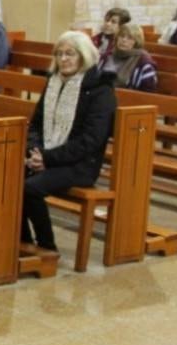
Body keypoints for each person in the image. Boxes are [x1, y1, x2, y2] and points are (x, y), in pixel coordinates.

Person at [21, 31, 116, 252]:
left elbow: (91, 140)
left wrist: (47, 158)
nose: (63, 59)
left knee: (29, 188)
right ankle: (23, 241)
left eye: (70, 54)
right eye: (59, 54)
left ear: (84, 56)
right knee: (7, 179)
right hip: (47, 157)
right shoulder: (54, 82)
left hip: (80, 165)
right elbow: (36, 123)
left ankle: (47, 247)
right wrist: (35, 151)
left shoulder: (101, 90)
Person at [102, 23, 157, 92]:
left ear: (136, 41)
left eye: (130, 38)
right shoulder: (108, 55)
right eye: (122, 36)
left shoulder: (143, 62)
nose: (124, 40)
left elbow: (148, 92)